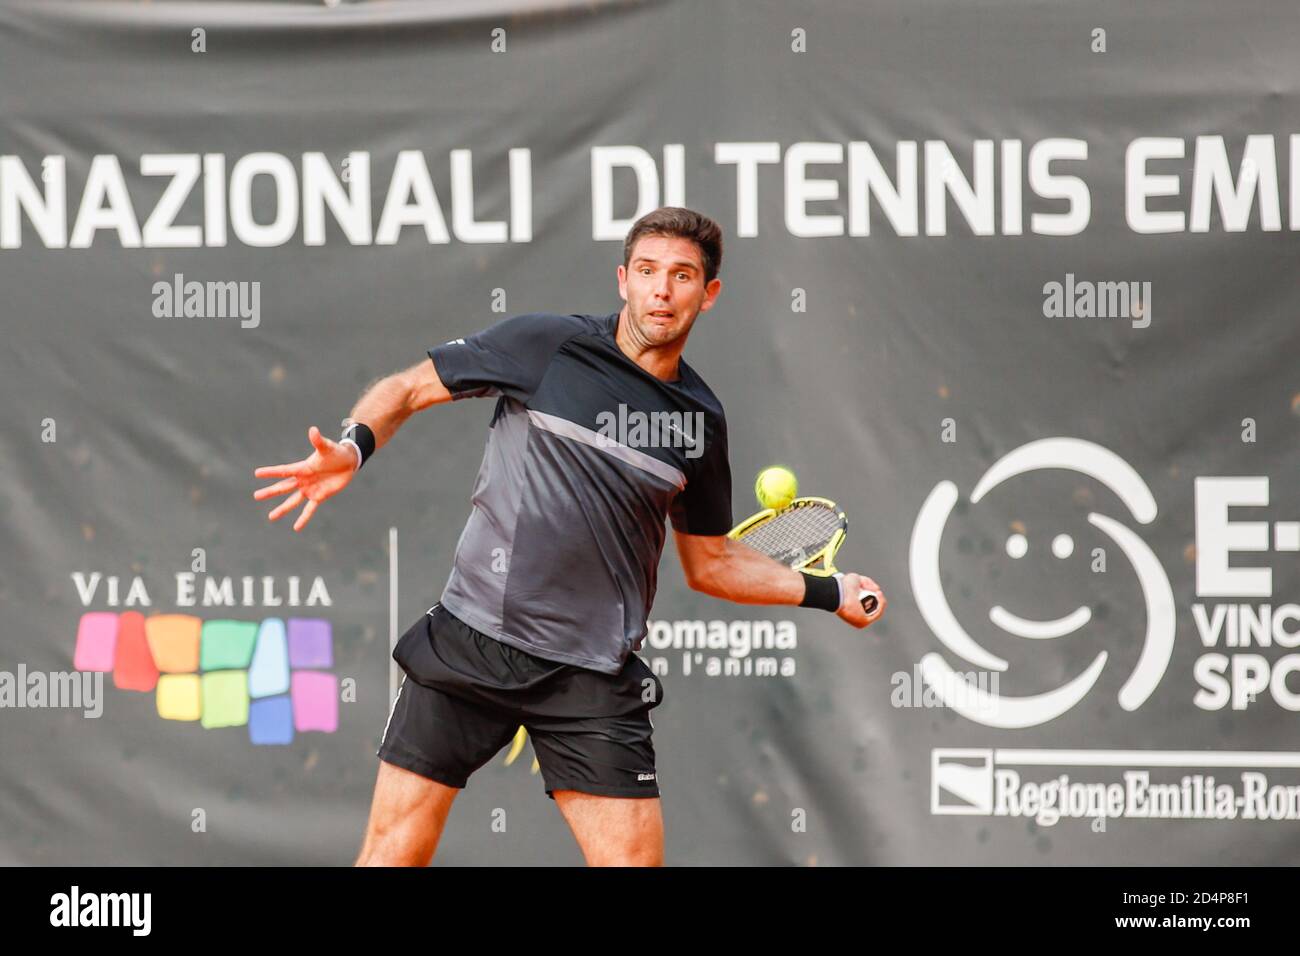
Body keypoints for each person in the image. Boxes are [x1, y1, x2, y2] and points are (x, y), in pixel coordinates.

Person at [252, 206, 886, 866]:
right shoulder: (546, 346)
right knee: (392, 857)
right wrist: (353, 447)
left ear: (709, 293)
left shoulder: (698, 422)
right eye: (647, 271)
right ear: (623, 279)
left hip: (590, 675)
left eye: (681, 275)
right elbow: (409, 389)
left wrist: (829, 589)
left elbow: (712, 564)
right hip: (472, 642)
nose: (661, 290)